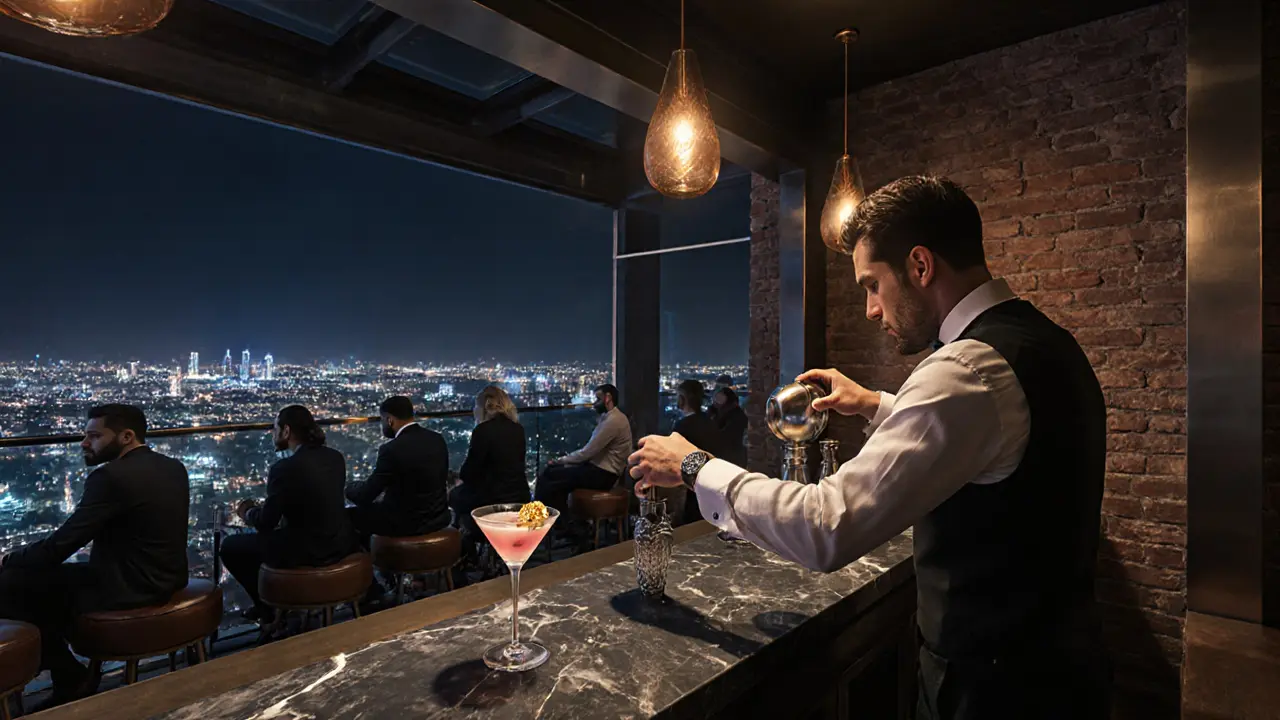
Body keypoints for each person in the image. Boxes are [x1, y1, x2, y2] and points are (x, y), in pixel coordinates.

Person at [628, 176, 1110, 720]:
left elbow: (823, 526)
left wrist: (694, 466)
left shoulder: (964, 369)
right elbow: (989, 446)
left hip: (992, 692)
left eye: (872, 285)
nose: (870, 310)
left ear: (920, 266)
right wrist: (877, 405)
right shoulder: (1043, 343)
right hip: (1062, 673)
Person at [0, 404, 189, 707]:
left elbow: (61, 545)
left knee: (9, 584)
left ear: (126, 436)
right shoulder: (173, 466)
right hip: (169, 578)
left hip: (127, 588)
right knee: (39, 584)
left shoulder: (110, 477)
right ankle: (65, 669)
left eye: (94, 436)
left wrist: (9, 558)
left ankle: (68, 674)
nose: (84, 443)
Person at [220, 405, 358, 621]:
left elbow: (267, 522)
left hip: (305, 550)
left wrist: (247, 511)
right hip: (339, 544)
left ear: (286, 431)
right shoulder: (335, 457)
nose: (273, 434)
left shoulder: (284, 468)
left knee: (230, 547)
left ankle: (267, 608)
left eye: (275, 429)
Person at [346, 396, 451, 548]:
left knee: (350, 515)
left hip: (406, 524)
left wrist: (349, 489)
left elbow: (366, 495)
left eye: (382, 420)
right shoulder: (437, 439)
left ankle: (376, 565)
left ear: (389, 420)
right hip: (439, 517)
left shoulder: (391, 449)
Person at [450, 386, 530, 558]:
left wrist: (460, 481)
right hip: (520, 498)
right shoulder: (518, 429)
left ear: (485, 407)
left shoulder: (483, 430)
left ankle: (464, 548)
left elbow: (469, 472)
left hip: (492, 500)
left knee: (455, 496)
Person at [533, 384, 631, 514]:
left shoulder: (613, 421)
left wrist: (561, 461)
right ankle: (560, 522)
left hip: (603, 475)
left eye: (598, 399)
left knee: (550, 476)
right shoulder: (613, 418)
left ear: (608, 398)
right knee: (554, 476)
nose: (595, 403)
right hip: (601, 471)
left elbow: (587, 453)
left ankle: (549, 521)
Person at [670, 380, 722, 524]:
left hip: (689, 488)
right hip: (710, 486)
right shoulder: (711, 422)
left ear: (683, 399)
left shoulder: (682, 426)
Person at [710, 387, 748, 467]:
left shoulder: (735, 417)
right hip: (730, 458)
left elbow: (723, 437)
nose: (715, 402)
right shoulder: (718, 413)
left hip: (731, 459)